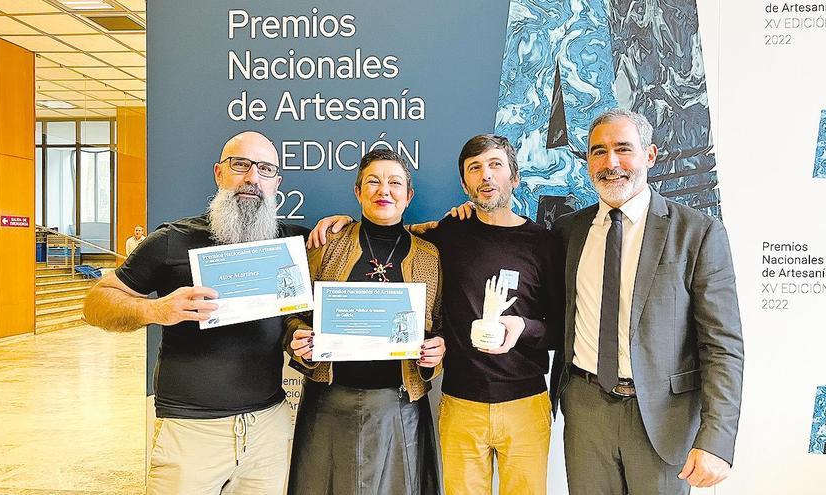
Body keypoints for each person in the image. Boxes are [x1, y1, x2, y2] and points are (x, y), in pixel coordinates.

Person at [310, 135, 564, 495]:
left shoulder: (546, 242)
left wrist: (522, 327)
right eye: (475, 168)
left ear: (515, 177)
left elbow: (561, 327)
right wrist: (344, 224)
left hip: (525, 402)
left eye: (495, 165)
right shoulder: (446, 236)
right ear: (464, 184)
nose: (486, 176)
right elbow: (392, 231)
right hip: (460, 401)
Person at [83, 131, 309, 495]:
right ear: (220, 173)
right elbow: (95, 303)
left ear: (276, 183)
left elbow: (373, 238)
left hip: (269, 425)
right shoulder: (171, 240)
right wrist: (155, 309)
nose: (253, 177)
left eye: (265, 169)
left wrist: (343, 224)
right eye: (241, 165)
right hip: (189, 431)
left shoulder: (294, 242)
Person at [550, 109, 744, 494]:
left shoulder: (697, 233)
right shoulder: (567, 231)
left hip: (662, 418)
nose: (612, 163)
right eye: (599, 152)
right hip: (586, 411)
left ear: (650, 155)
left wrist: (716, 439)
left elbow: (722, 346)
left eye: (624, 149)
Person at [285, 149, 446, 495]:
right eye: (373, 181)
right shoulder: (326, 244)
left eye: (394, 183)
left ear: (408, 196)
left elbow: (442, 327)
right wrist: (297, 337)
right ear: (358, 192)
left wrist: (437, 352)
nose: (383, 190)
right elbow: (292, 315)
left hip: (398, 407)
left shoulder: (430, 256)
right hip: (328, 404)